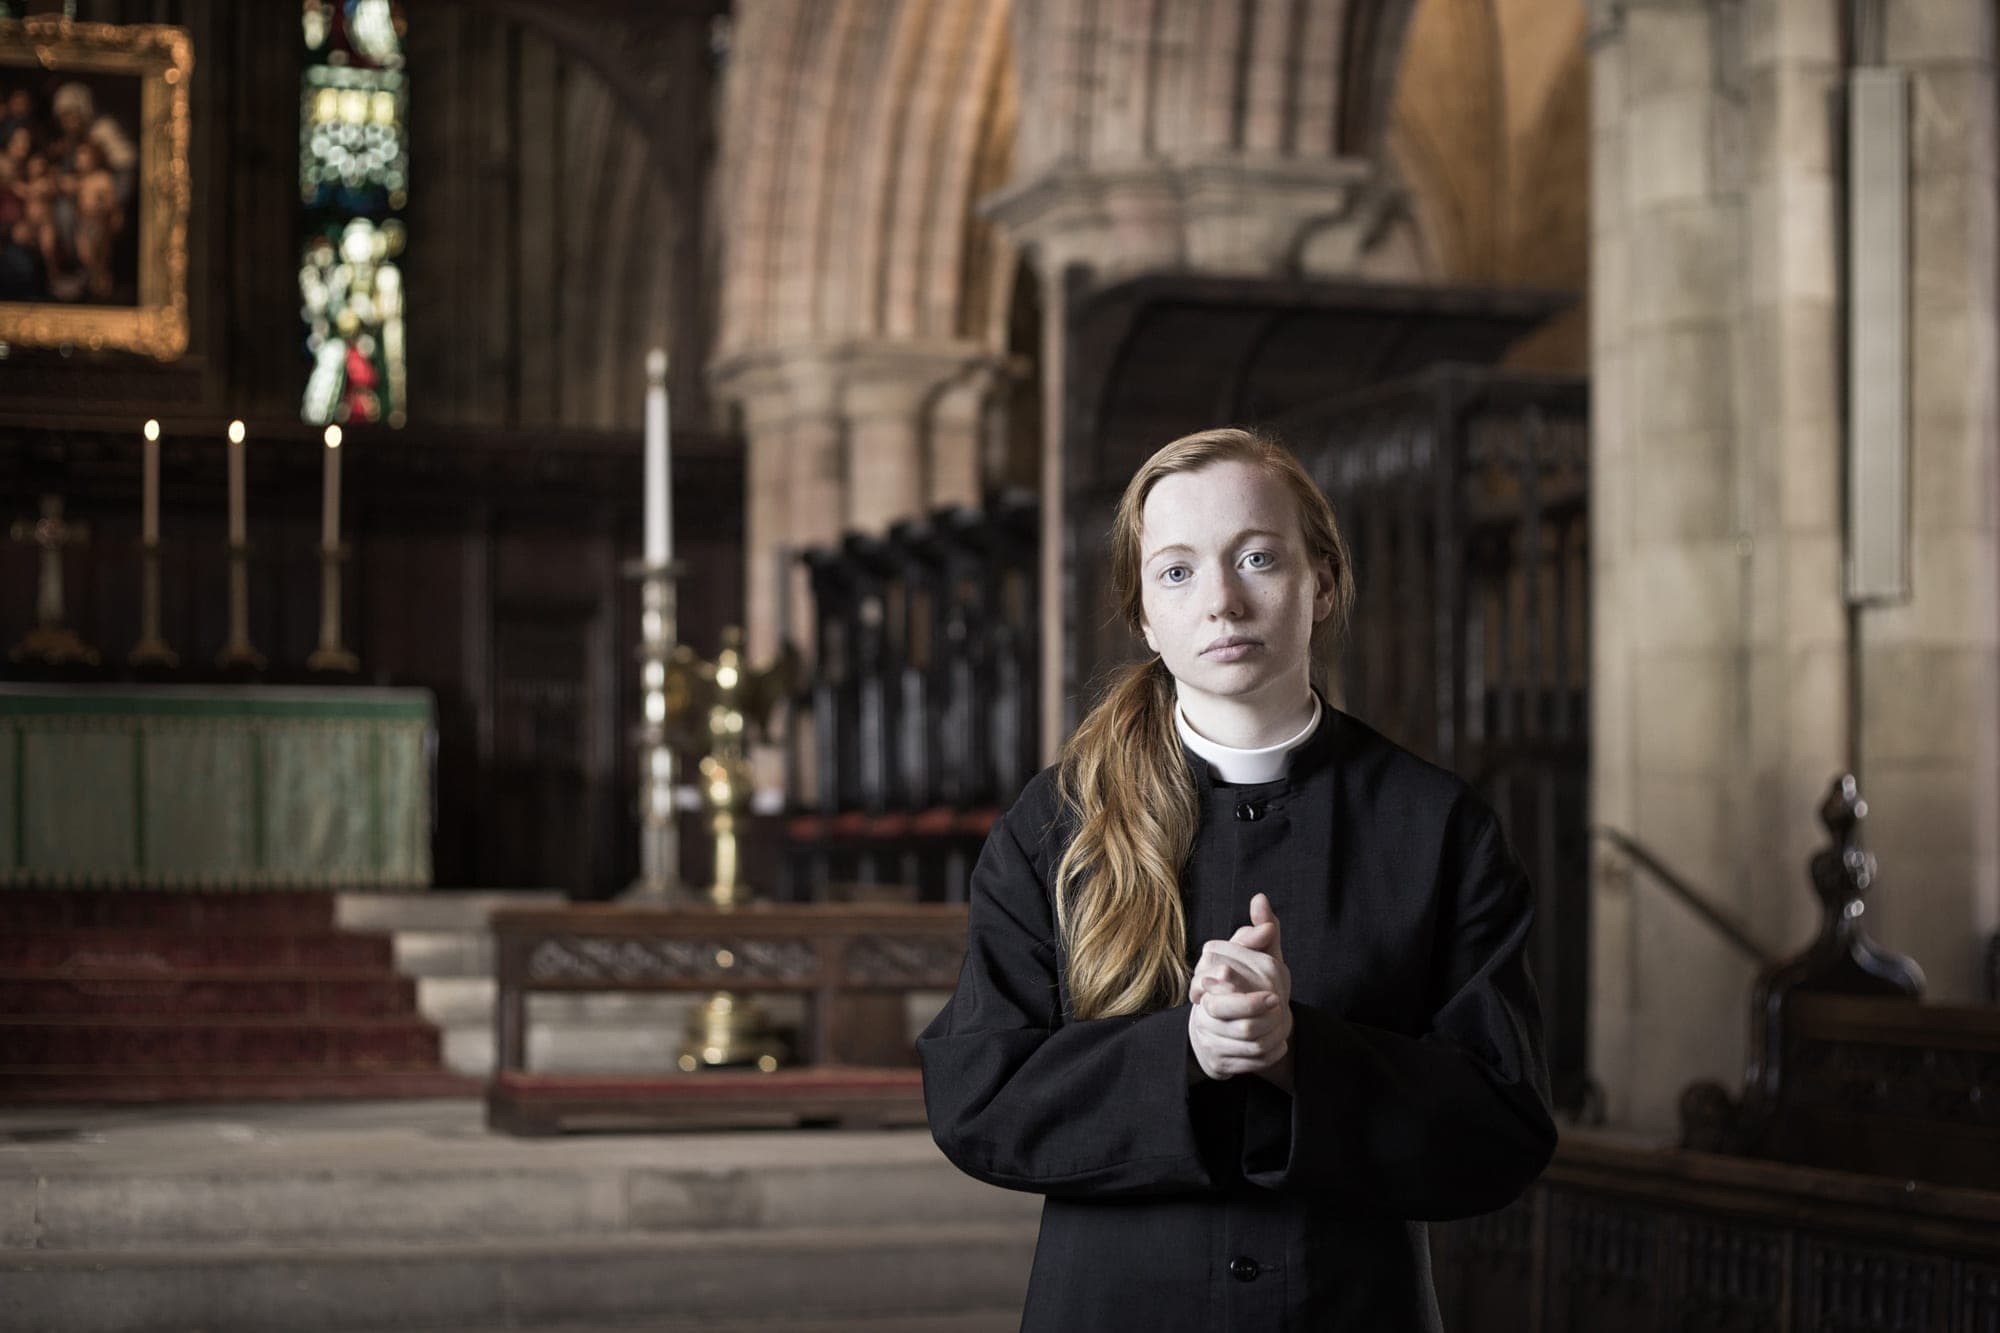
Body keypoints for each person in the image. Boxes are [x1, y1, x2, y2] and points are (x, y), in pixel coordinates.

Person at [915, 427, 1557, 1331]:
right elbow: (975, 1094)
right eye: (1176, 571)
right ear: (1142, 612)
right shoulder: (1055, 824)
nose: (1220, 600)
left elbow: (1505, 1129)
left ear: (1321, 582)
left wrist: (1300, 1054)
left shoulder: (1437, 824)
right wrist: (1188, 1052)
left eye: (1257, 557)